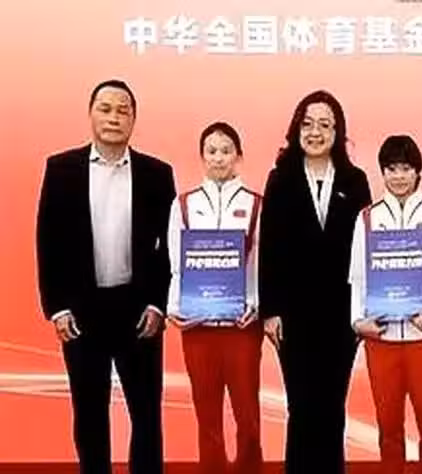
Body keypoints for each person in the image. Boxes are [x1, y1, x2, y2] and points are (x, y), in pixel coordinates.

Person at [35, 79, 176, 474]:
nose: (114, 118)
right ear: (91, 114)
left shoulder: (157, 174)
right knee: (89, 412)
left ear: (134, 119)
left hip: (139, 311)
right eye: (106, 108)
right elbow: (47, 241)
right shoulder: (61, 169)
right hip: (82, 311)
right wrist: (57, 307)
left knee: (146, 414)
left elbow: (168, 248)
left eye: (123, 110)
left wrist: (158, 304)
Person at [257, 90, 372, 474]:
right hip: (294, 316)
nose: (315, 132)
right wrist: (271, 310)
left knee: (332, 406)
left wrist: (363, 311)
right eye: (307, 124)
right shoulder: (280, 180)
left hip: (342, 315)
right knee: (302, 406)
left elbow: (366, 249)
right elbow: (269, 247)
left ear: (338, 132)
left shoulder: (355, 181)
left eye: (325, 124)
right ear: (296, 129)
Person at [350, 135, 422, 474]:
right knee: (388, 427)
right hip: (381, 341)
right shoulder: (367, 218)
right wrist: (358, 322)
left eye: (406, 169)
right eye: (392, 169)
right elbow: (358, 278)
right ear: (382, 172)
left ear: (418, 172)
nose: (399, 176)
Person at [165, 122, 264, 474]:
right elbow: (176, 264)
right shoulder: (184, 204)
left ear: (239, 156)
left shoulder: (256, 204)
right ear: (202, 157)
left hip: (242, 327)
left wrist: (255, 304)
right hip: (198, 328)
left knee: (248, 416)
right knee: (207, 416)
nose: (219, 158)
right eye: (211, 151)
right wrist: (175, 307)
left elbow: (261, 263)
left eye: (226, 151)